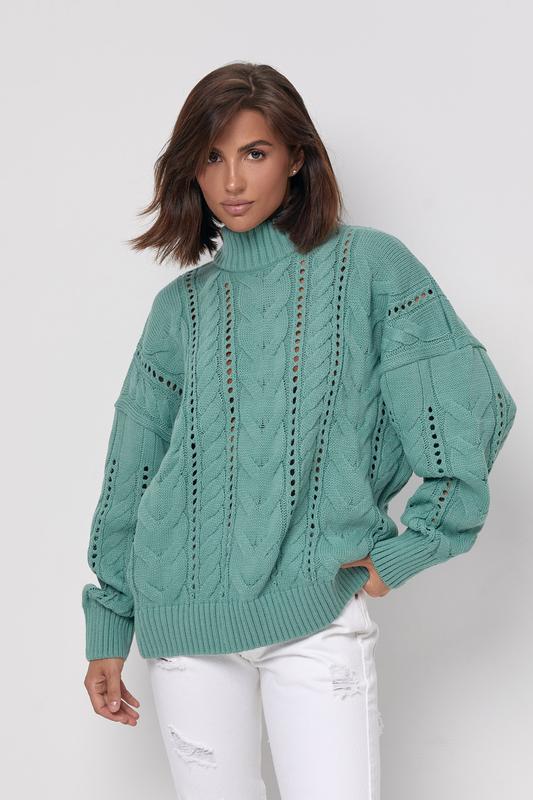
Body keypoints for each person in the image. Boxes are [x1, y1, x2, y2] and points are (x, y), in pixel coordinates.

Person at [82, 62, 517, 800]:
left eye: (254, 153)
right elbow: (133, 468)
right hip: (184, 617)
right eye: (211, 157)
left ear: (296, 158)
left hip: (316, 614)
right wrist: (110, 619)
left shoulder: (370, 267)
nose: (231, 180)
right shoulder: (178, 308)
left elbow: (470, 402)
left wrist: (416, 544)